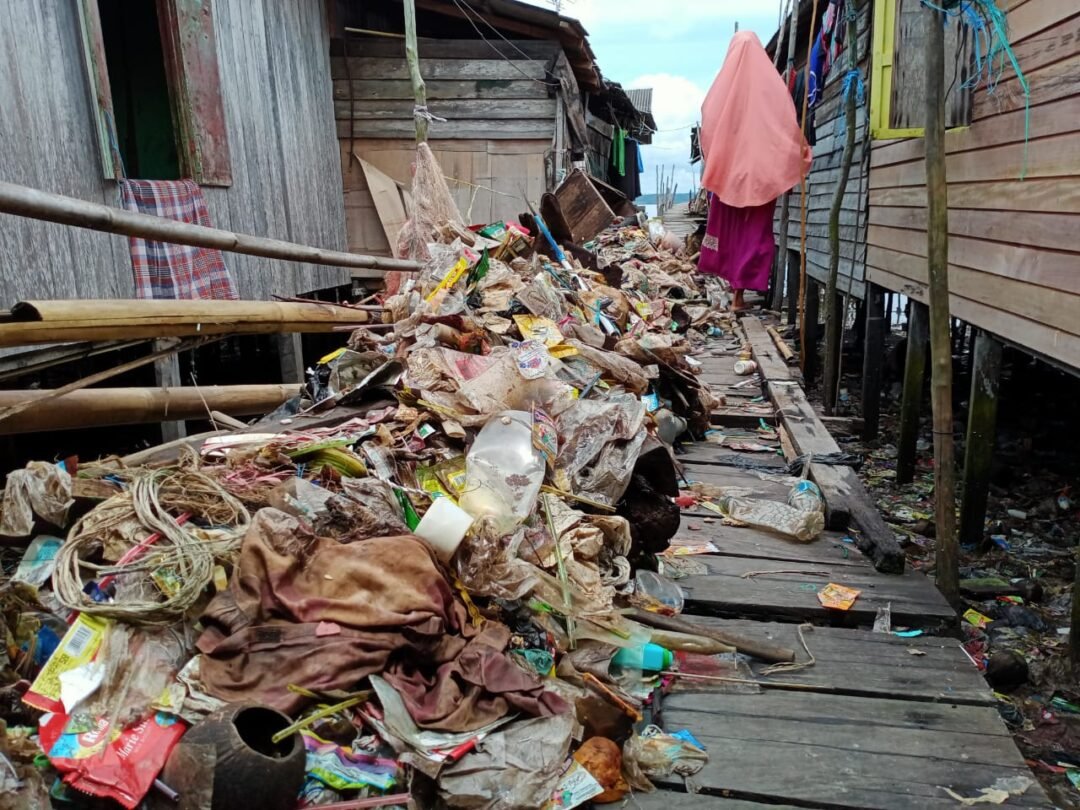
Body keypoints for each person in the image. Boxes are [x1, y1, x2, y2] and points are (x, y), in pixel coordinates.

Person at [697, 31, 812, 311]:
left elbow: (708, 124)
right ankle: (740, 294)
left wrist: (719, 160)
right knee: (754, 235)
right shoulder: (771, 87)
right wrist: (800, 153)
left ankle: (734, 290)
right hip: (760, 176)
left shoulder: (720, 91)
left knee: (730, 232)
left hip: (728, 175)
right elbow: (785, 124)